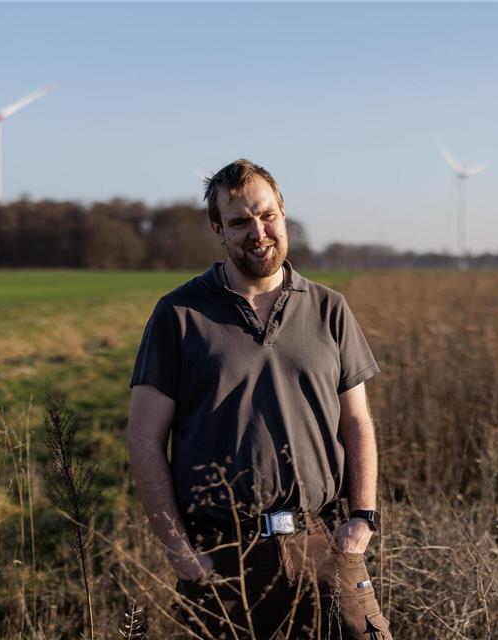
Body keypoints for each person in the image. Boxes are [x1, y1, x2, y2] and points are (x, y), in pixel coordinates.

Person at [127, 159, 392, 639]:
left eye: (266, 215)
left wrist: (362, 519)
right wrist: (180, 552)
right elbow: (144, 439)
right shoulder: (178, 314)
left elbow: (357, 422)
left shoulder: (329, 308)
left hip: (324, 541)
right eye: (239, 222)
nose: (258, 231)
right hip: (226, 556)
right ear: (218, 230)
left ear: (283, 212)